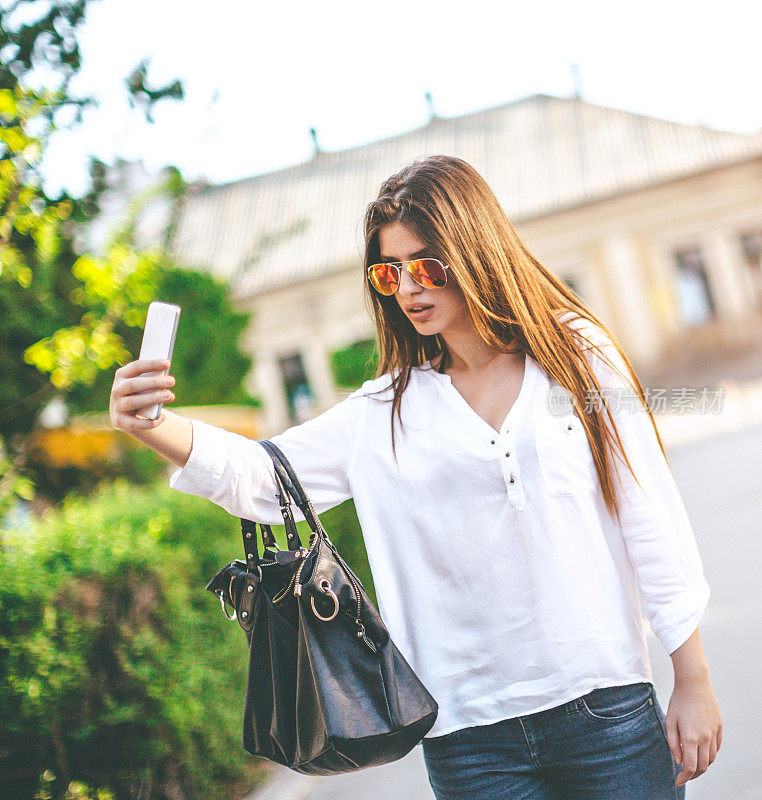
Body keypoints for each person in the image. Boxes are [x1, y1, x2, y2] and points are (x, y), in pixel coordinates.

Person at [109, 155, 722, 799]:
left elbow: (648, 513)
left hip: (608, 708)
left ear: (477, 251)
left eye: (425, 264)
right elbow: (262, 476)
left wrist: (694, 678)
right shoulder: (384, 412)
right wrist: (150, 424)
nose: (407, 287)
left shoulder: (579, 361)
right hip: (471, 743)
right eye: (388, 271)